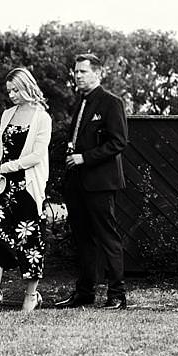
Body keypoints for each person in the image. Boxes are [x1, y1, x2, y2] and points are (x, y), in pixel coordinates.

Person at [55, 54, 129, 310]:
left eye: (83, 71)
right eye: (76, 71)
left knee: (107, 238)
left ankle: (117, 294)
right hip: (78, 184)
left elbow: (119, 142)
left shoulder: (111, 103)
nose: (77, 76)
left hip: (101, 183)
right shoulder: (81, 103)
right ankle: (84, 293)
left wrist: (84, 158)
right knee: (82, 240)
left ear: (98, 73)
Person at [0, 68, 52, 313]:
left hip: (27, 187)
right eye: (9, 90)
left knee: (29, 241)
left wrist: (7, 167)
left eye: (16, 90)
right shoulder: (7, 114)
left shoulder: (42, 117)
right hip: (3, 186)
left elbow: (36, 155)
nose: (11, 95)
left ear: (27, 87)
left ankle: (31, 295)